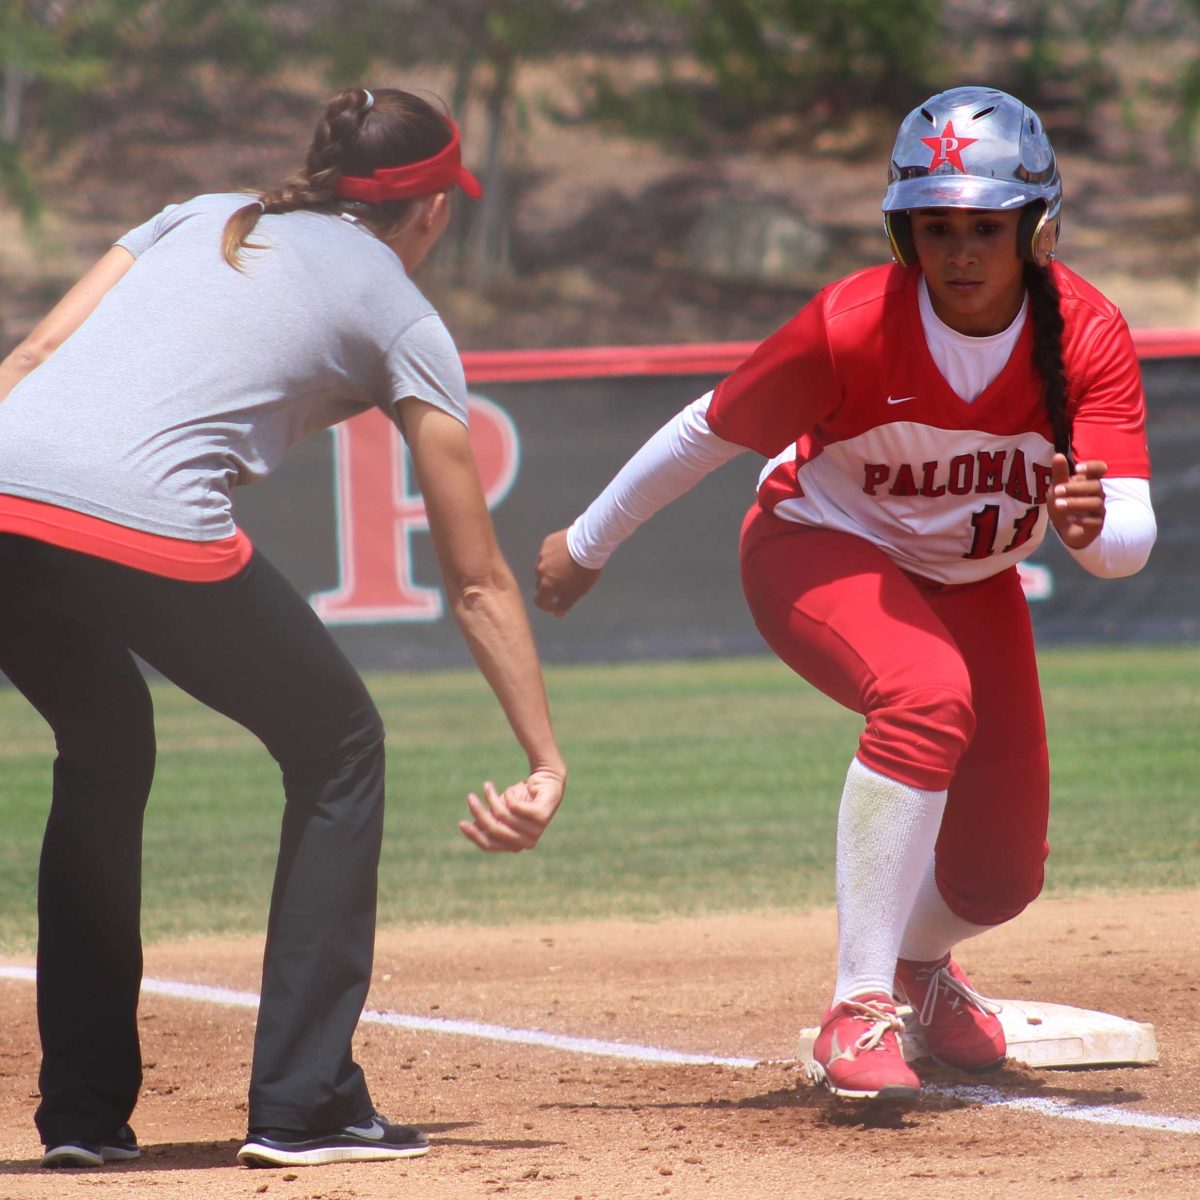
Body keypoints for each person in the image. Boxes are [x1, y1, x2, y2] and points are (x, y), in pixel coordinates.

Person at [535, 86, 1155, 1101]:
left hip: (970, 580)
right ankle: (859, 1003)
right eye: (935, 225)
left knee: (1001, 879)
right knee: (924, 695)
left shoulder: (1084, 332)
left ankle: (919, 971)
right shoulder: (854, 323)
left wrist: (1096, 529)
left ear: (1040, 230)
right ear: (902, 230)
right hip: (818, 544)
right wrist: (589, 543)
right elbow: (706, 431)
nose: (959, 250)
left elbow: (1125, 541)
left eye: (986, 227)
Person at [0, 86, 567, 1167]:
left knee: (106, 742)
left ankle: (81, 1116)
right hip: (143, 518)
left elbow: (29, 358)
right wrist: (542, 756)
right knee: (338, 745)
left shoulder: (197, 211)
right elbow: (480, 577)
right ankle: (304, 1104)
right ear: (432, 210)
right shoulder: (400, 309)